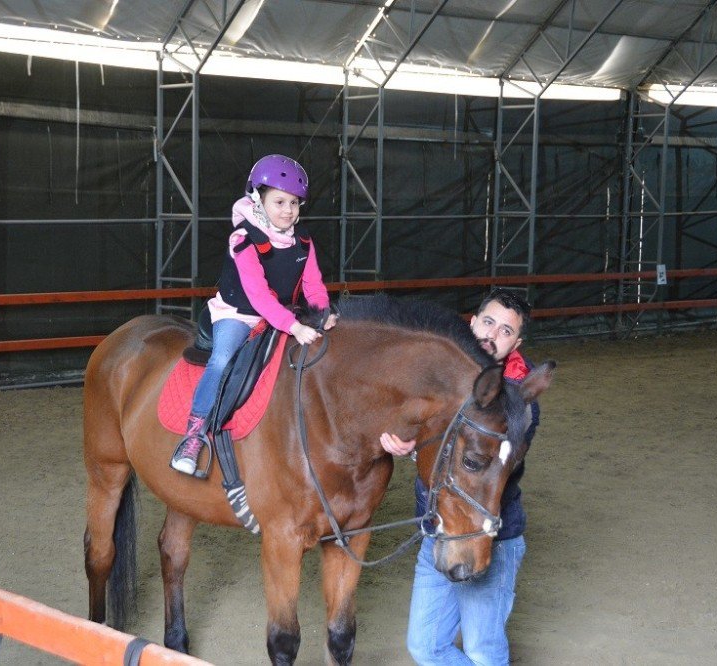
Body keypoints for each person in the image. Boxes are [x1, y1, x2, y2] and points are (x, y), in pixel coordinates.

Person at [379, 288, 540, 665]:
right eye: (488, 322)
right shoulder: (440, 380)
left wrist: (421, 444)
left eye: (505, 331)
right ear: (472, 323)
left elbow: (481, 462)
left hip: (489, 539)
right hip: (438, 530)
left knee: (482, 650)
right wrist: (407, 441)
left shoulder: (518, 402)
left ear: (516, 342)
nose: (492, 335)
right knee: (426, 646)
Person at [171, 154, 338, 476]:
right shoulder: (243, 239)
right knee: (222, 358)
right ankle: (194, 434)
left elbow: (314, 284)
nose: (288, 210)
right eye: (279, 202)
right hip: (239, 313)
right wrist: (294, 326)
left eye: (294, 203)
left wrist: (322, 313)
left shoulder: (303, 241)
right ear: (257, 199)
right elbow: (258, 296)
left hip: (287, 313)